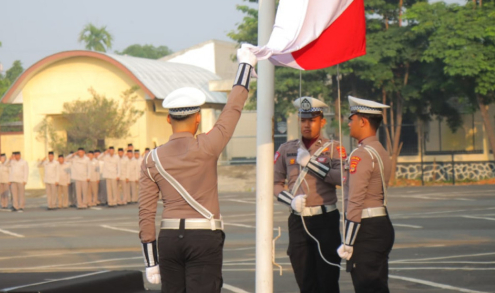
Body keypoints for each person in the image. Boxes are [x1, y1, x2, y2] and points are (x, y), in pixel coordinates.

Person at [138, 45, 256, 292]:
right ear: (199, 117)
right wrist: (245, 67)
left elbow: (146, 214)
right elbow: (232, 109)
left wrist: (151, 262)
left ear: (168, 118)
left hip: (168, 239)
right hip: (203, 237)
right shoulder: (208, 145)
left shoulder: (151, 159)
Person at [274, 97, 345, 293]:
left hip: (325, 220)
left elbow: (343, 178)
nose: (307, 124)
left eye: (312, 120)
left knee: (328, 279)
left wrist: (313, 165)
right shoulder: (287, 149)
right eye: (303, 120)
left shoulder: (333, 148)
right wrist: (291, 200)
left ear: (322, 122)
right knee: (305, 280)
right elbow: (275, 184)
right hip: (298, 220)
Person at [337, 96, 394, 293]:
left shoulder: (360, 154)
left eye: (352, 118)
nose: (349, 123)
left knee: (366, 286)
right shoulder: (380, 150)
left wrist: (348, 241)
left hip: (366, 229)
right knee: (377, 285)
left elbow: (355, 199)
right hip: (380, 223)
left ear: (363, 121)